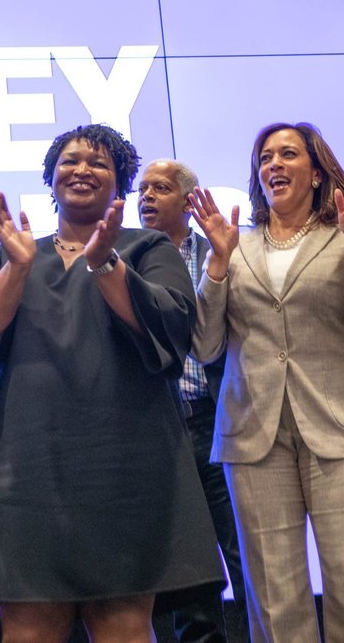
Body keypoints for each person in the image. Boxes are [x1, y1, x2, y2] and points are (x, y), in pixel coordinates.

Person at [0, 124, 225, 643]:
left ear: (120, 182)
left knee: (123, 627)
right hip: (27, 471)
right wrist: (18, 267)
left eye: (98, 163)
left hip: (126, 468)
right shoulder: (11, 254)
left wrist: (105, 263)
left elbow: (170, 331)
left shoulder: (148, 246)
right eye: (70, 161)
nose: (82, 170)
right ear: (50, 178)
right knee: (29, 632)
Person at [189, 122, 344, 643]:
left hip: (340, 427)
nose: (274, 165)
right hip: (251, 433)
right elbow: (204, 346)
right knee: (275, 596)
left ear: (316, 173)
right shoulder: (234, 246)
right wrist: (216, 264)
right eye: (266, 157)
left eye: (288, 154)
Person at [139, 158, 248, 643]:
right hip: (158, 428)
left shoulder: (222, 252)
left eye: (159, 188)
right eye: (142, 189)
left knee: (243, 550)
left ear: (188, 202)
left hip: (219, 420)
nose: (146, 197)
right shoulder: (126, 257)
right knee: (185, 560)